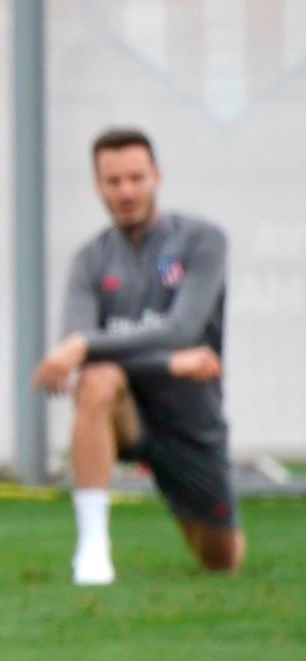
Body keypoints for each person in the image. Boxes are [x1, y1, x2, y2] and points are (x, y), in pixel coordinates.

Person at [34, 128, 239, 584]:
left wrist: (87, 344)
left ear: (156, 178)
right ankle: (92, 550)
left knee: (221, 560)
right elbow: (81, 359)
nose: (125, 191)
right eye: (113, 181)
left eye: (135, 178)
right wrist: (167, 361)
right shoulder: (89, 261)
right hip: (126, 415)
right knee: (97, 380)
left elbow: (182, 329)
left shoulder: (203, 240)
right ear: (98, 186)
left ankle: (180, 495)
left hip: (190, 421)